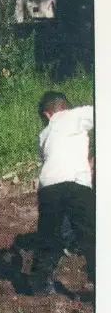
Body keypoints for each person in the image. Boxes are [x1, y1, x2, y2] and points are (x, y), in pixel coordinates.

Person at [29, 91, 95, 295]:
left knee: (49, 235)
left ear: (47, 115)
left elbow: (49, 158)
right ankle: (99, 277)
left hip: (49, 186)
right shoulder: (78, 115)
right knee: (91, 234)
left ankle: (40, 284)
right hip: (76, 183)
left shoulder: (44, 135)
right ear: (65, 107)